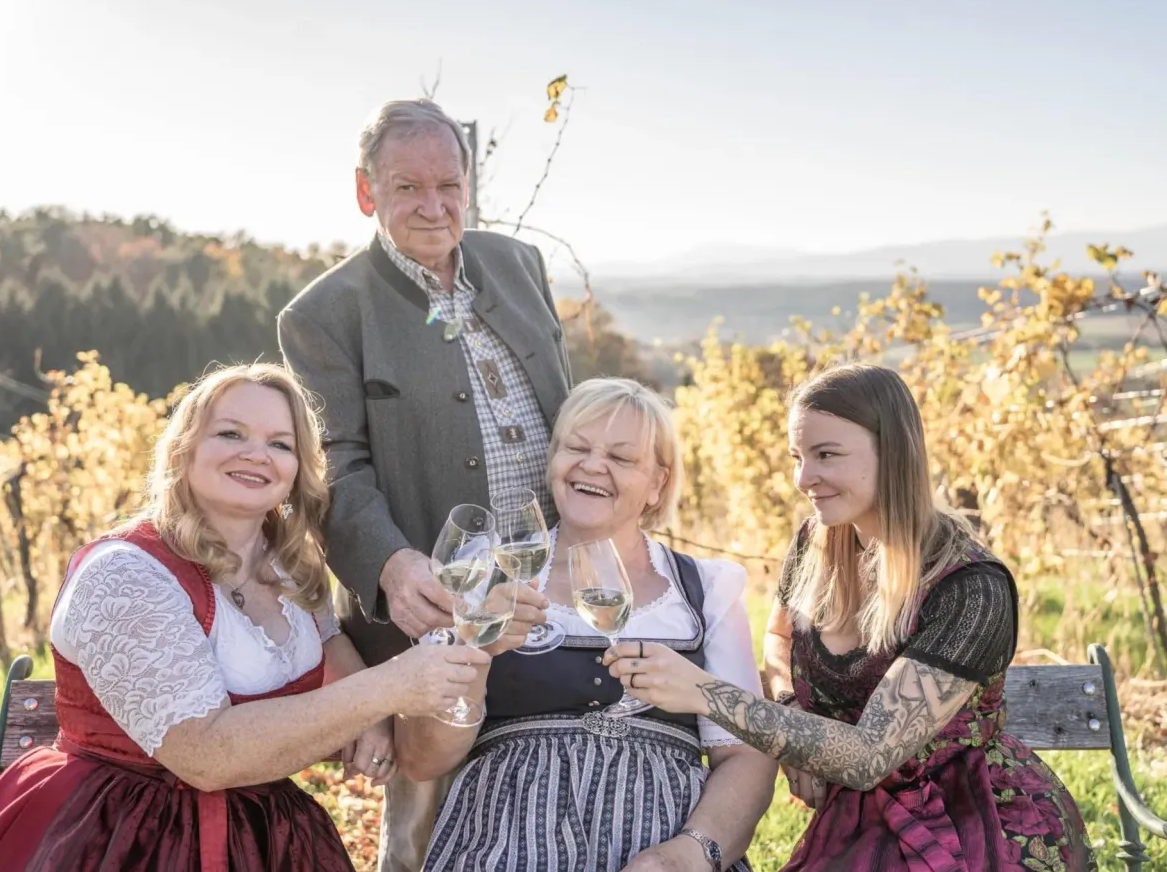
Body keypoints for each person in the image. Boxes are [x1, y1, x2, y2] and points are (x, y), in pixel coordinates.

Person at [0, 363, 496, 872]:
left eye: (280, 443)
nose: (257, 454)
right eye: (231, 433)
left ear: (298, 469)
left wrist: (374, 713)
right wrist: (385, 690)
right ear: (183, 449)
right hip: (119, 835)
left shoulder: (291, 566)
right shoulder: (126, 574)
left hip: (271, 839)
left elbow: (328, 646)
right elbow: (205, 756)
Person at [604, 363, 1097, 871]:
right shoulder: (818, 542)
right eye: (798, 456)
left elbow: (867, 757)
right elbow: (778, 638)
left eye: (826, 455)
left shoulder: (970, 589)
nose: (802, 478)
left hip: (965, 822)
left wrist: (704, 693)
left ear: (893, 453)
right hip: (857, 817)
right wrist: (793, 717)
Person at [276, 97, 564, 871]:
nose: (434, 207)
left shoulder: (521, 265)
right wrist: (391, 564)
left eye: (449, 185)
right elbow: (333, 466)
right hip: (431, 597)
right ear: (367, 192)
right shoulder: (324, 313)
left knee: (549, 785)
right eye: (408, 188)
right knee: (424, 833)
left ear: (469, 185)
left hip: (550, 579)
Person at [400, 377, 777, 872]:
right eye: (576, 447)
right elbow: (421, 760)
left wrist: (688, 854)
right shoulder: (482, 571)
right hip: (506, 841)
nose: (593, 465)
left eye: (621, 458)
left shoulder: (704, 588)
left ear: (658, 483)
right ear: (553, 459)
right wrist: (474, 651)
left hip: (662, 842)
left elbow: (745, 757)